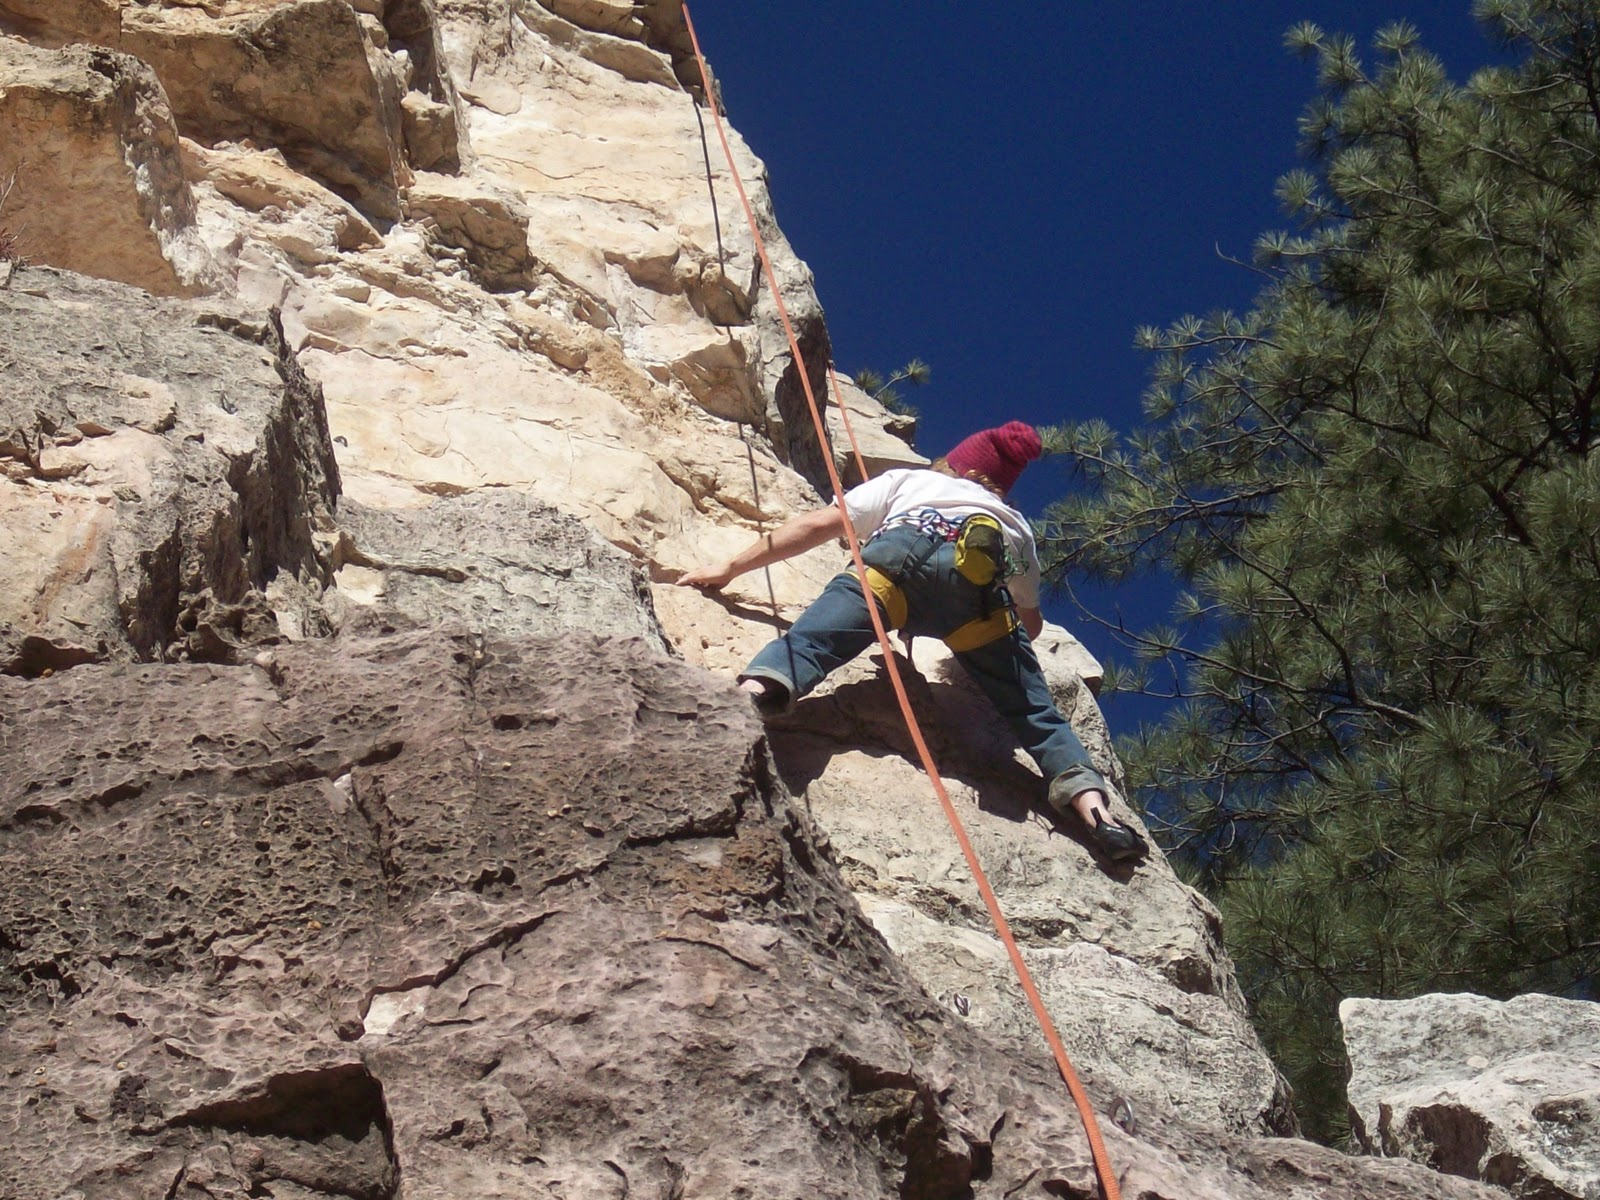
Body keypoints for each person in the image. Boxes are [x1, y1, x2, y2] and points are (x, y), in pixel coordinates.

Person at [679, 421, 1146, 862]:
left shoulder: (908, 482)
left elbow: (816, 526)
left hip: (893, 567)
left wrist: (729, 568)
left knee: (809, 644)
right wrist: (989, 657)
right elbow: (1031, 622)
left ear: (955, 464)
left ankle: (747, 700)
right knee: (1035, 715)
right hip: (976, 602)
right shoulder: (1014, 524)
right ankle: (1097, 816)